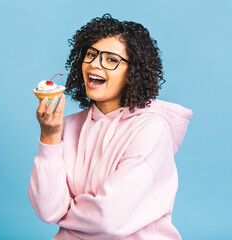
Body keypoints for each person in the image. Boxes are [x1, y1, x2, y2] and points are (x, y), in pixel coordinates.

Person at [28, 13, 193, 240]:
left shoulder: (152, 129)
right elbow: (47, 210)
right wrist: (49, 136)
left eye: (111, 59)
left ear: (131, 74)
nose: (95, 63)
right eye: (91, 54)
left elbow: (108, 220)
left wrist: (65, 213)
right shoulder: (65, 127)